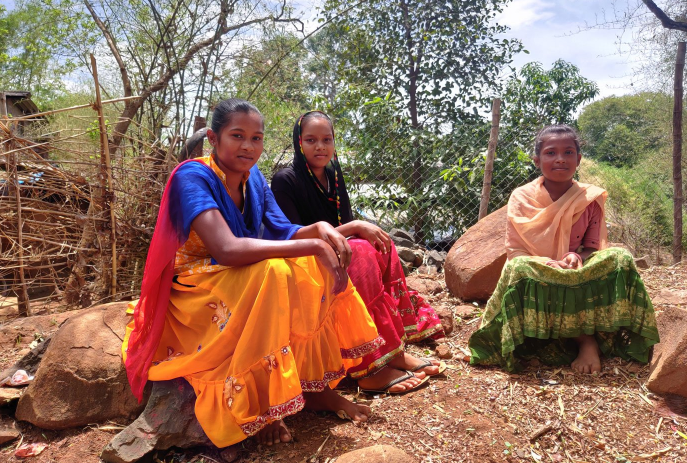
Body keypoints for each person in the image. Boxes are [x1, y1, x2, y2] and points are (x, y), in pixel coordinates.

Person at [122, 99, 385, 448]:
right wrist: (312, 245)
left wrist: (323, 229)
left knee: (312, 265)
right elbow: (225, 249)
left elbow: (282, 230)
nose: (248, 146)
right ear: (214, 139)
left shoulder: (253, 177)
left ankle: (315, 388)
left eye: (257, 138)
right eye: (237, 136)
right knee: (275, 271)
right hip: (196, 280)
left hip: (237, 272)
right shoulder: (192, 176)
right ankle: (261, 407)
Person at [271, 111, 445, 394]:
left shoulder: (333, 176)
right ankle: (368, 367)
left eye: (327, 140)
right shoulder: (285, 180)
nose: (320, 147)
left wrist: (359, 229)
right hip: (302, 256)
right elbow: (294, 237)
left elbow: (343, 226)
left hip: (334, 247)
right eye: (311, 140)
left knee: (380, 242)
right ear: (298, 143)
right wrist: (355, 227)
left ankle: (393, 351)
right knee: (362, 251)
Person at [468, 124, 659, 374]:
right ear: (537, 160)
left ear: (578, 159)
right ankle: (579, 340)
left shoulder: (589, 198)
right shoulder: (522, 197)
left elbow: (593, 247)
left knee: (620, 257)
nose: (560, 159)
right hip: (539, 271)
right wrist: (548, 263)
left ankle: (590, 339)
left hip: (575, 270)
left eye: (568, 152)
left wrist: (574, 257)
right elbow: (516, 251)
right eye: (550, 153)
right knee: (519, 266)